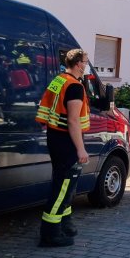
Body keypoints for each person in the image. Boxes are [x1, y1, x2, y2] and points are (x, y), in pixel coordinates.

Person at [35, 49, 90, 247]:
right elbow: (73, 121)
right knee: (62, 187)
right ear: (78, 64)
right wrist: (81, 149)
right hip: (66, 141)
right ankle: (50, 233)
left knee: (64, 185)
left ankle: (65, 224)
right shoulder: (75, 86)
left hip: (55, 137)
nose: (86, 65)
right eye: (85, 61)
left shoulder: (58, 80)